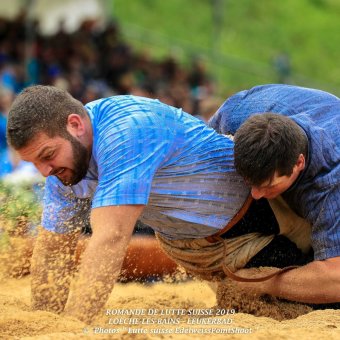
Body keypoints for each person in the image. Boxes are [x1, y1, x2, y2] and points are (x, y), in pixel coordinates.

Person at [7, 85, 307, 323]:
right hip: (197, 249)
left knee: (318, 299)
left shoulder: (126, 130)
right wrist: (46, 320)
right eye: (34, 163)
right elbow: (53, 247)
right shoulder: (64, 166)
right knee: (243, 307)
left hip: (259, 216)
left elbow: (110, 237)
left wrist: (74, 326)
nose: (44, 172)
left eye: (47, 156)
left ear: (75, 125)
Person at [209, 84, 340, 305]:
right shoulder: (233, 116)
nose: (256, 194)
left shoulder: (331, 184)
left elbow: (335, 279)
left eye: (268, 185)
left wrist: (262, 281)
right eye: (250, 183)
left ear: (299, 163)